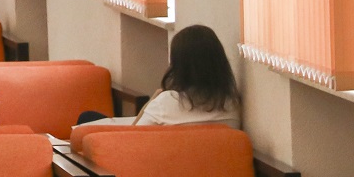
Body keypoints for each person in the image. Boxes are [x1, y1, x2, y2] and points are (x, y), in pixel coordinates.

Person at [81, 24, 241, 127]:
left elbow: (133, 136)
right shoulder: (231, 105)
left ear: (179, 65)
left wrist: (153, 100)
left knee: (87, 118)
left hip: (152, 161)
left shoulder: (167, 102)